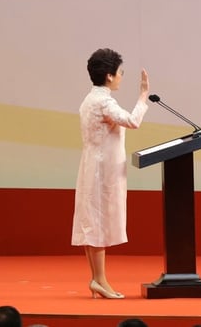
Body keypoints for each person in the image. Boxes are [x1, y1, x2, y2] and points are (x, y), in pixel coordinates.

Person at [72, 48, 150, 299]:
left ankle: (97, 279)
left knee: (92, 225)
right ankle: (100, 280)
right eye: (119, 72)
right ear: (108, 76)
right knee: (98, 226)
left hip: (92, 166)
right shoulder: (104, 101)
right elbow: (132, 121)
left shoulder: (89, 99)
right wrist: (143, 97)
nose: (121, 77)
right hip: (101, 171)